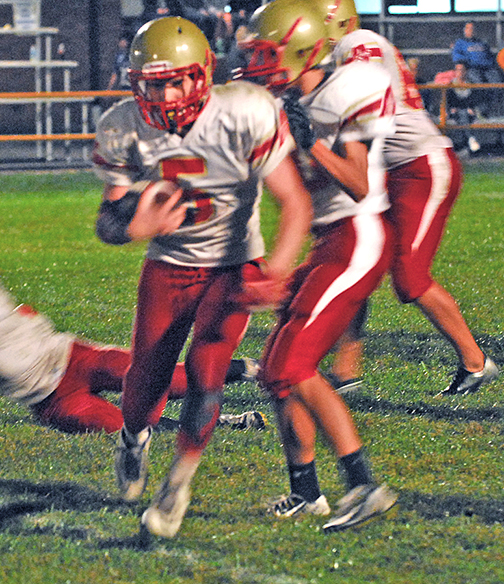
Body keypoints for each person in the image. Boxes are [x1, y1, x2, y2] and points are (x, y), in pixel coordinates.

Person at [92, 16, 313, 539]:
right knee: (143, 383)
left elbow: (294, 201)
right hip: (168, 264)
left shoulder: (244, 111)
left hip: (235, 263)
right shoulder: (125, 124)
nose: (165, 95)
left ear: (203, 75)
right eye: (153, 83)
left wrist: (277, 268)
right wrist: (132, 229)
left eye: (175, 81)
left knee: (208, 370)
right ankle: (133, 437)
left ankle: (178, 487)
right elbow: (109, 219)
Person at [239, 0, 398, 532]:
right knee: (276, 371)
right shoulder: (286, 100)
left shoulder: (340, 93)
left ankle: (364, 484)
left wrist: (310, 142)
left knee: (291, 366)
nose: (259, 62)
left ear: (304, 49)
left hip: (357, 237)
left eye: (268, 51)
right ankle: (307, 492)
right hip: (326, 242)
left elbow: (359, 183)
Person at [322, 0, 498, 396]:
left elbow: (361, 100)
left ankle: (476, 362)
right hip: (391, 167)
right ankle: (345, 371)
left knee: (409, 276)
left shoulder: (358, 42)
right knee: (356, 257)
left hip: (420, 164)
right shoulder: (349, 47)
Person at [0, 284, 263, 434]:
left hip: (73, 358)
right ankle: (225, 422)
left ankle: (255, 369)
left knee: (171, 380)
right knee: (126, 428)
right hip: (53, 399)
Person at [451, 22, 501, 117]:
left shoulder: (482, 43)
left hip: (487, 69)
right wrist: (468, 62)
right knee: (478, 84)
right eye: (469, 28)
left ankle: (494, 109)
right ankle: (480, 110)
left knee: (497, 82)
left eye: (473, 28)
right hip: (471, 68)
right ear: (465, 30)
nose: (471, 30)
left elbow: (490, 57)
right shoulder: (460, 43)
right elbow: (456, 57)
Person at [447, 62, 482, 154]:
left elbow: (473, 100)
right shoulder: (451, 85)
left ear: (466, 71)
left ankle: (466, 145)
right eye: (458, 70)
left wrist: (470, 108)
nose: (460, 72)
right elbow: (451, 102)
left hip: (469, 113)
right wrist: (460, 107)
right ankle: (470, 139)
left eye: (462, 70)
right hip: (455, 113)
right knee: (462, 113)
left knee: (464, 114)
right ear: (455, 71)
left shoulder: (471, 84)